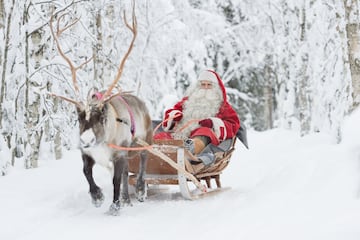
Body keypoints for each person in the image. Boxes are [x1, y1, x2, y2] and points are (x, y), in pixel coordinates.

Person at [154, 69, 240, 166]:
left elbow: (233, 124)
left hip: (204, 139)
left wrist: (213, 123)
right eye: (203, 85)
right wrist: (175, 116)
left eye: (209, 85)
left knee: (204, 131)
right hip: (180, 134)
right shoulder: (187, 101)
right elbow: (171, 114)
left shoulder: (222, 106)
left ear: (216, 88)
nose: (205, 88)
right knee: (161, 136)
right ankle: (158, 152)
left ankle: (189, 149)